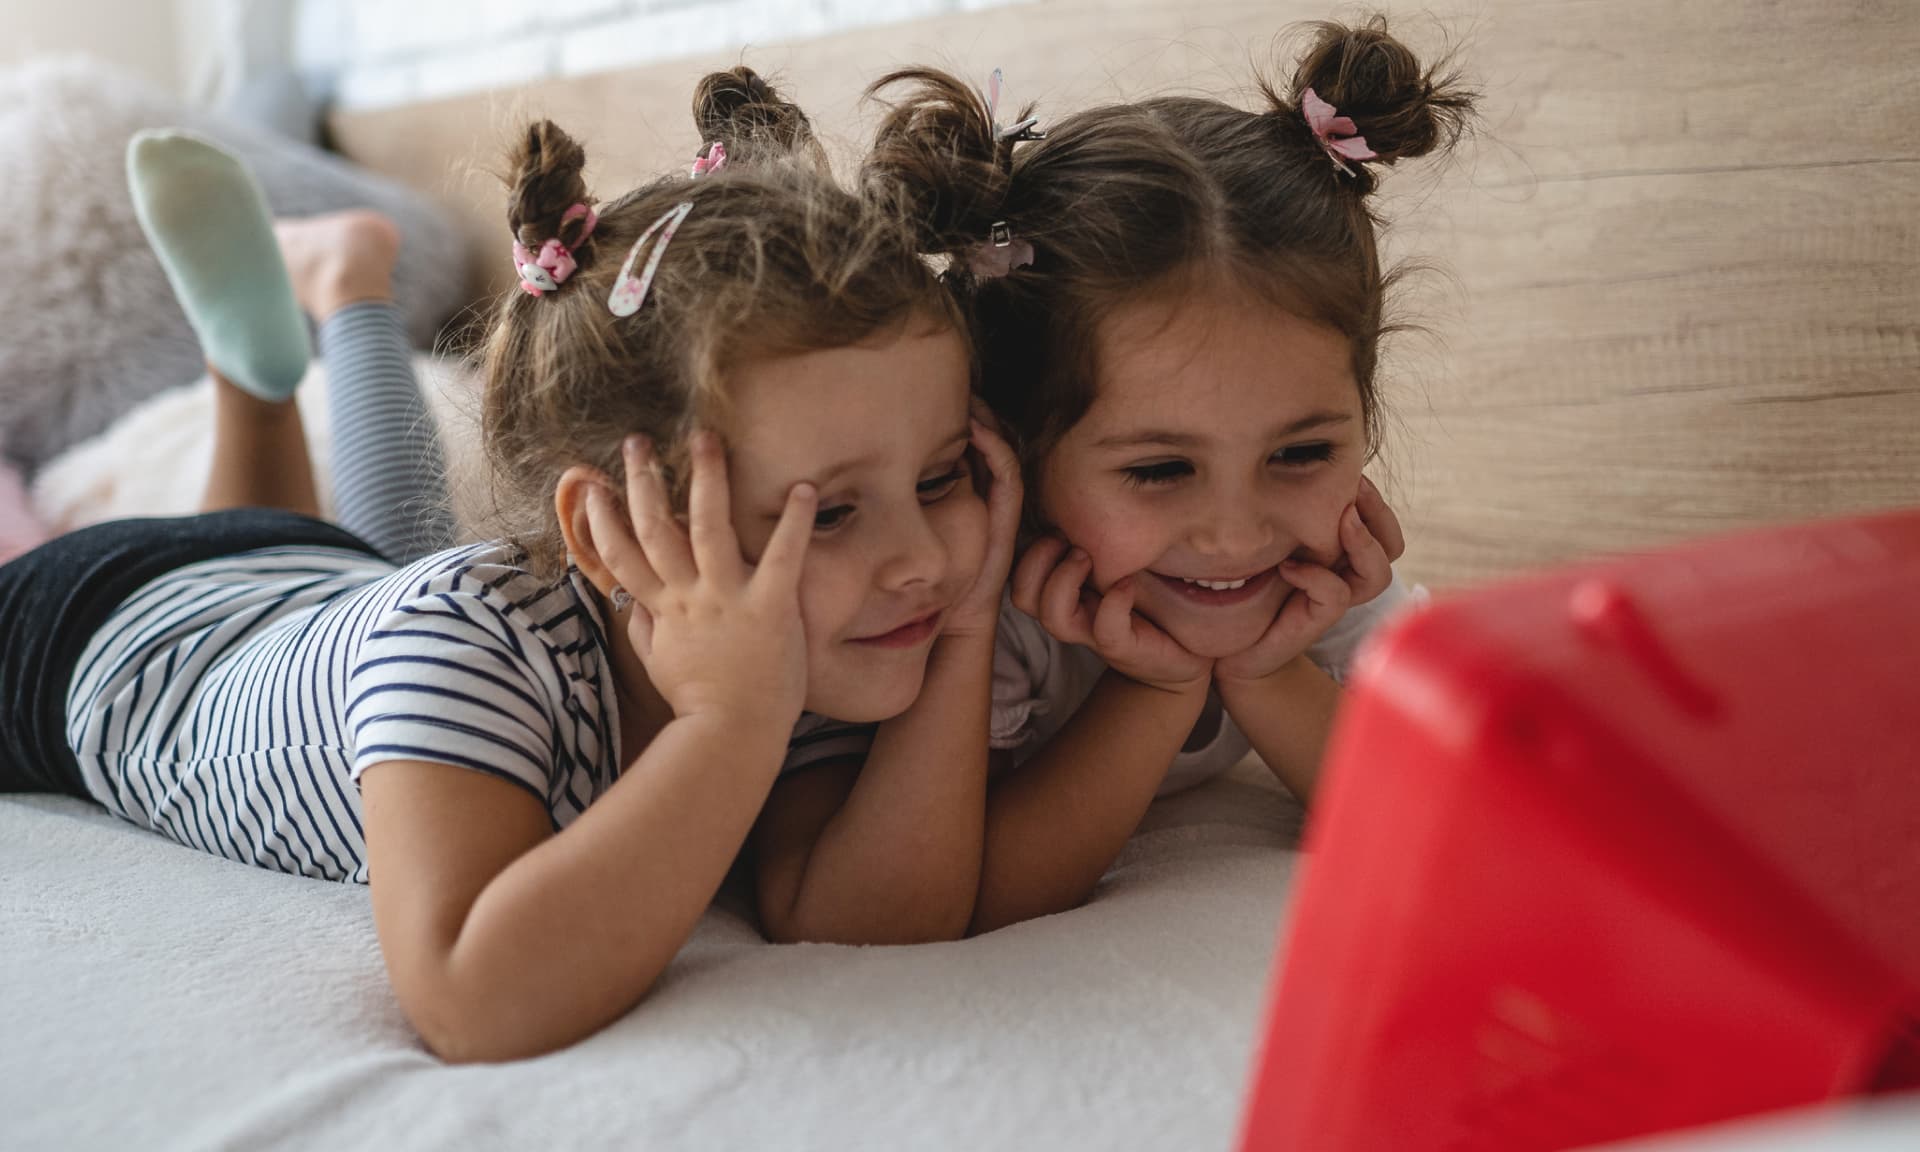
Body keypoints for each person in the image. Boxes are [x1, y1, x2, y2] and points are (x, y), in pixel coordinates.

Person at [0, 67, 1019, 1061]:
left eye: (940, 479)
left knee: (344, 556)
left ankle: (258, 371)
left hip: (310, 582)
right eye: (832, 512)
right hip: (84, 626)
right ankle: (268, 362)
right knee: (367, 573)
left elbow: (864, 920)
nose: (920, 559)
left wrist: (968, 629)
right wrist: (727, 728)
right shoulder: (467, 649)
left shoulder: (787, 642)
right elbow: (469, 998)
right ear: (608, 530)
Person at [861, 17, 1478, 930]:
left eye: (1302, 453)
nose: (1236, 535)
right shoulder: (982, 622)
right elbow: (971, 896)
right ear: (1020, 447)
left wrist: (1270, 677)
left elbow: (1446, 827)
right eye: (1158, 470)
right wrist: (1160, 688)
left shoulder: (1327, 584)